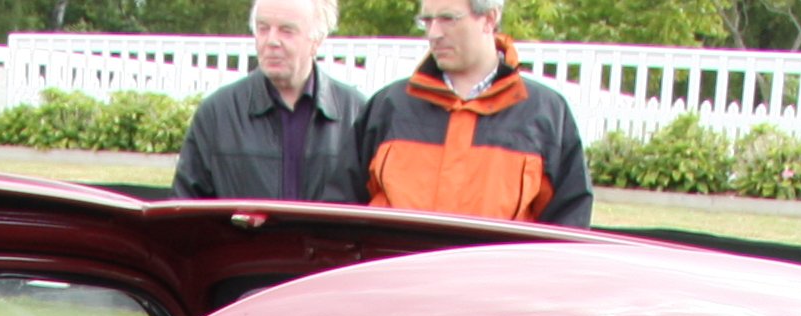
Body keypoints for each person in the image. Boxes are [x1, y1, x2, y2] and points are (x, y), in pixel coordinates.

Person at [355, 0, 588, 227]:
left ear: (489, 18)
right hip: (398, 265)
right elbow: (344, 212)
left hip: (499, 266)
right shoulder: (388, 107)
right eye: (427, 20)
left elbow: (567, 227)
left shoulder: (545, 113)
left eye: (448, 19)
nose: (434, 33)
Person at [171, 0, 361, 205]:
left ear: (317, 41)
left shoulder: (356, 115)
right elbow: (184, 213)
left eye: (286, 31)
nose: (271, 41)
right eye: (263, 29)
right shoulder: (217, 114)